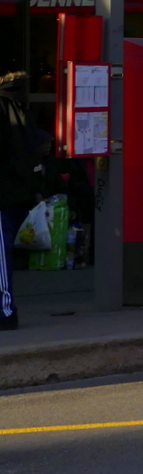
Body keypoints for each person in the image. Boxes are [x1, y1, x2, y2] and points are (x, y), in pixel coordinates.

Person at [0, 72, 42, 329]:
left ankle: (5, 313)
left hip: (3, 192)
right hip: (18, 193)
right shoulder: (24, 112)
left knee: (1, 258)